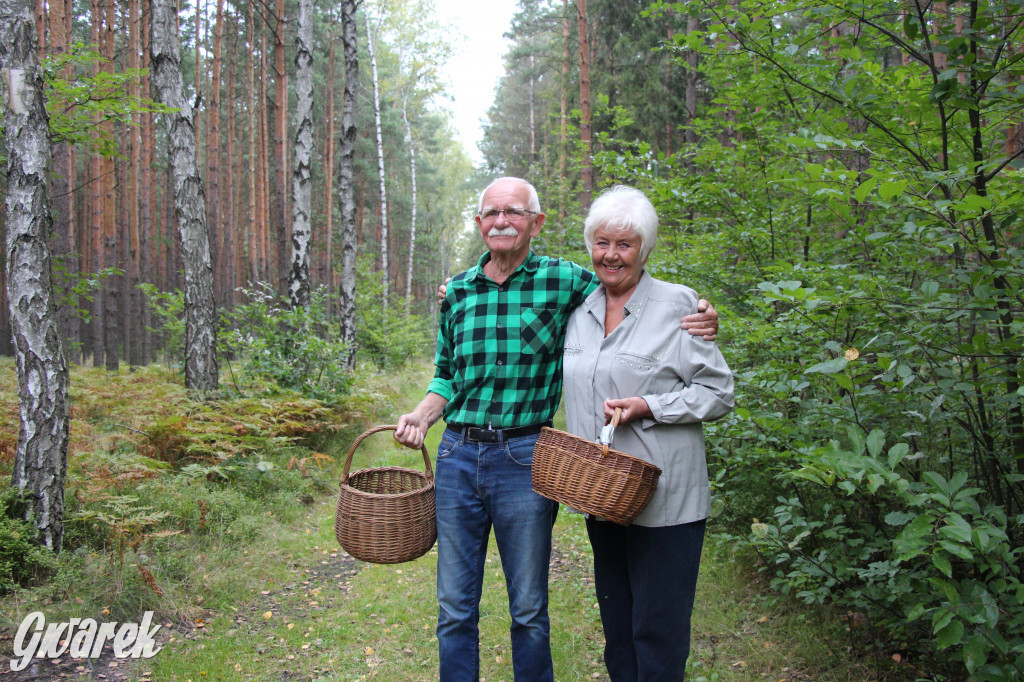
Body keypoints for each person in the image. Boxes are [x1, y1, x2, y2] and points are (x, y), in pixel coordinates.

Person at [394, 177, 719, 682]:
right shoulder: (457, 291)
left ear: (536, 223)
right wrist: (422, 414)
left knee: (528, 609)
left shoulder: (567, 282)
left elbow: (631, 287)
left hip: (526, 457)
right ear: (479, 223)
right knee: (454, 607)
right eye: (491, 213)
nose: (501, 221)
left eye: (514, 212)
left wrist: (700, 311)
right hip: (458, 456)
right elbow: (446, 373)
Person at [562, 185, 735, 681]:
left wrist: (649, 406)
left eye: (625, 244)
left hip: (666, 503)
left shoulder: (678, 305)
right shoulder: (579, 309)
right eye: (602, 242)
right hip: (604, 496)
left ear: (645, 248)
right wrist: (455, 291)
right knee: (618, 629)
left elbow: (718, 392)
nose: (611, 255)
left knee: (657, 632)